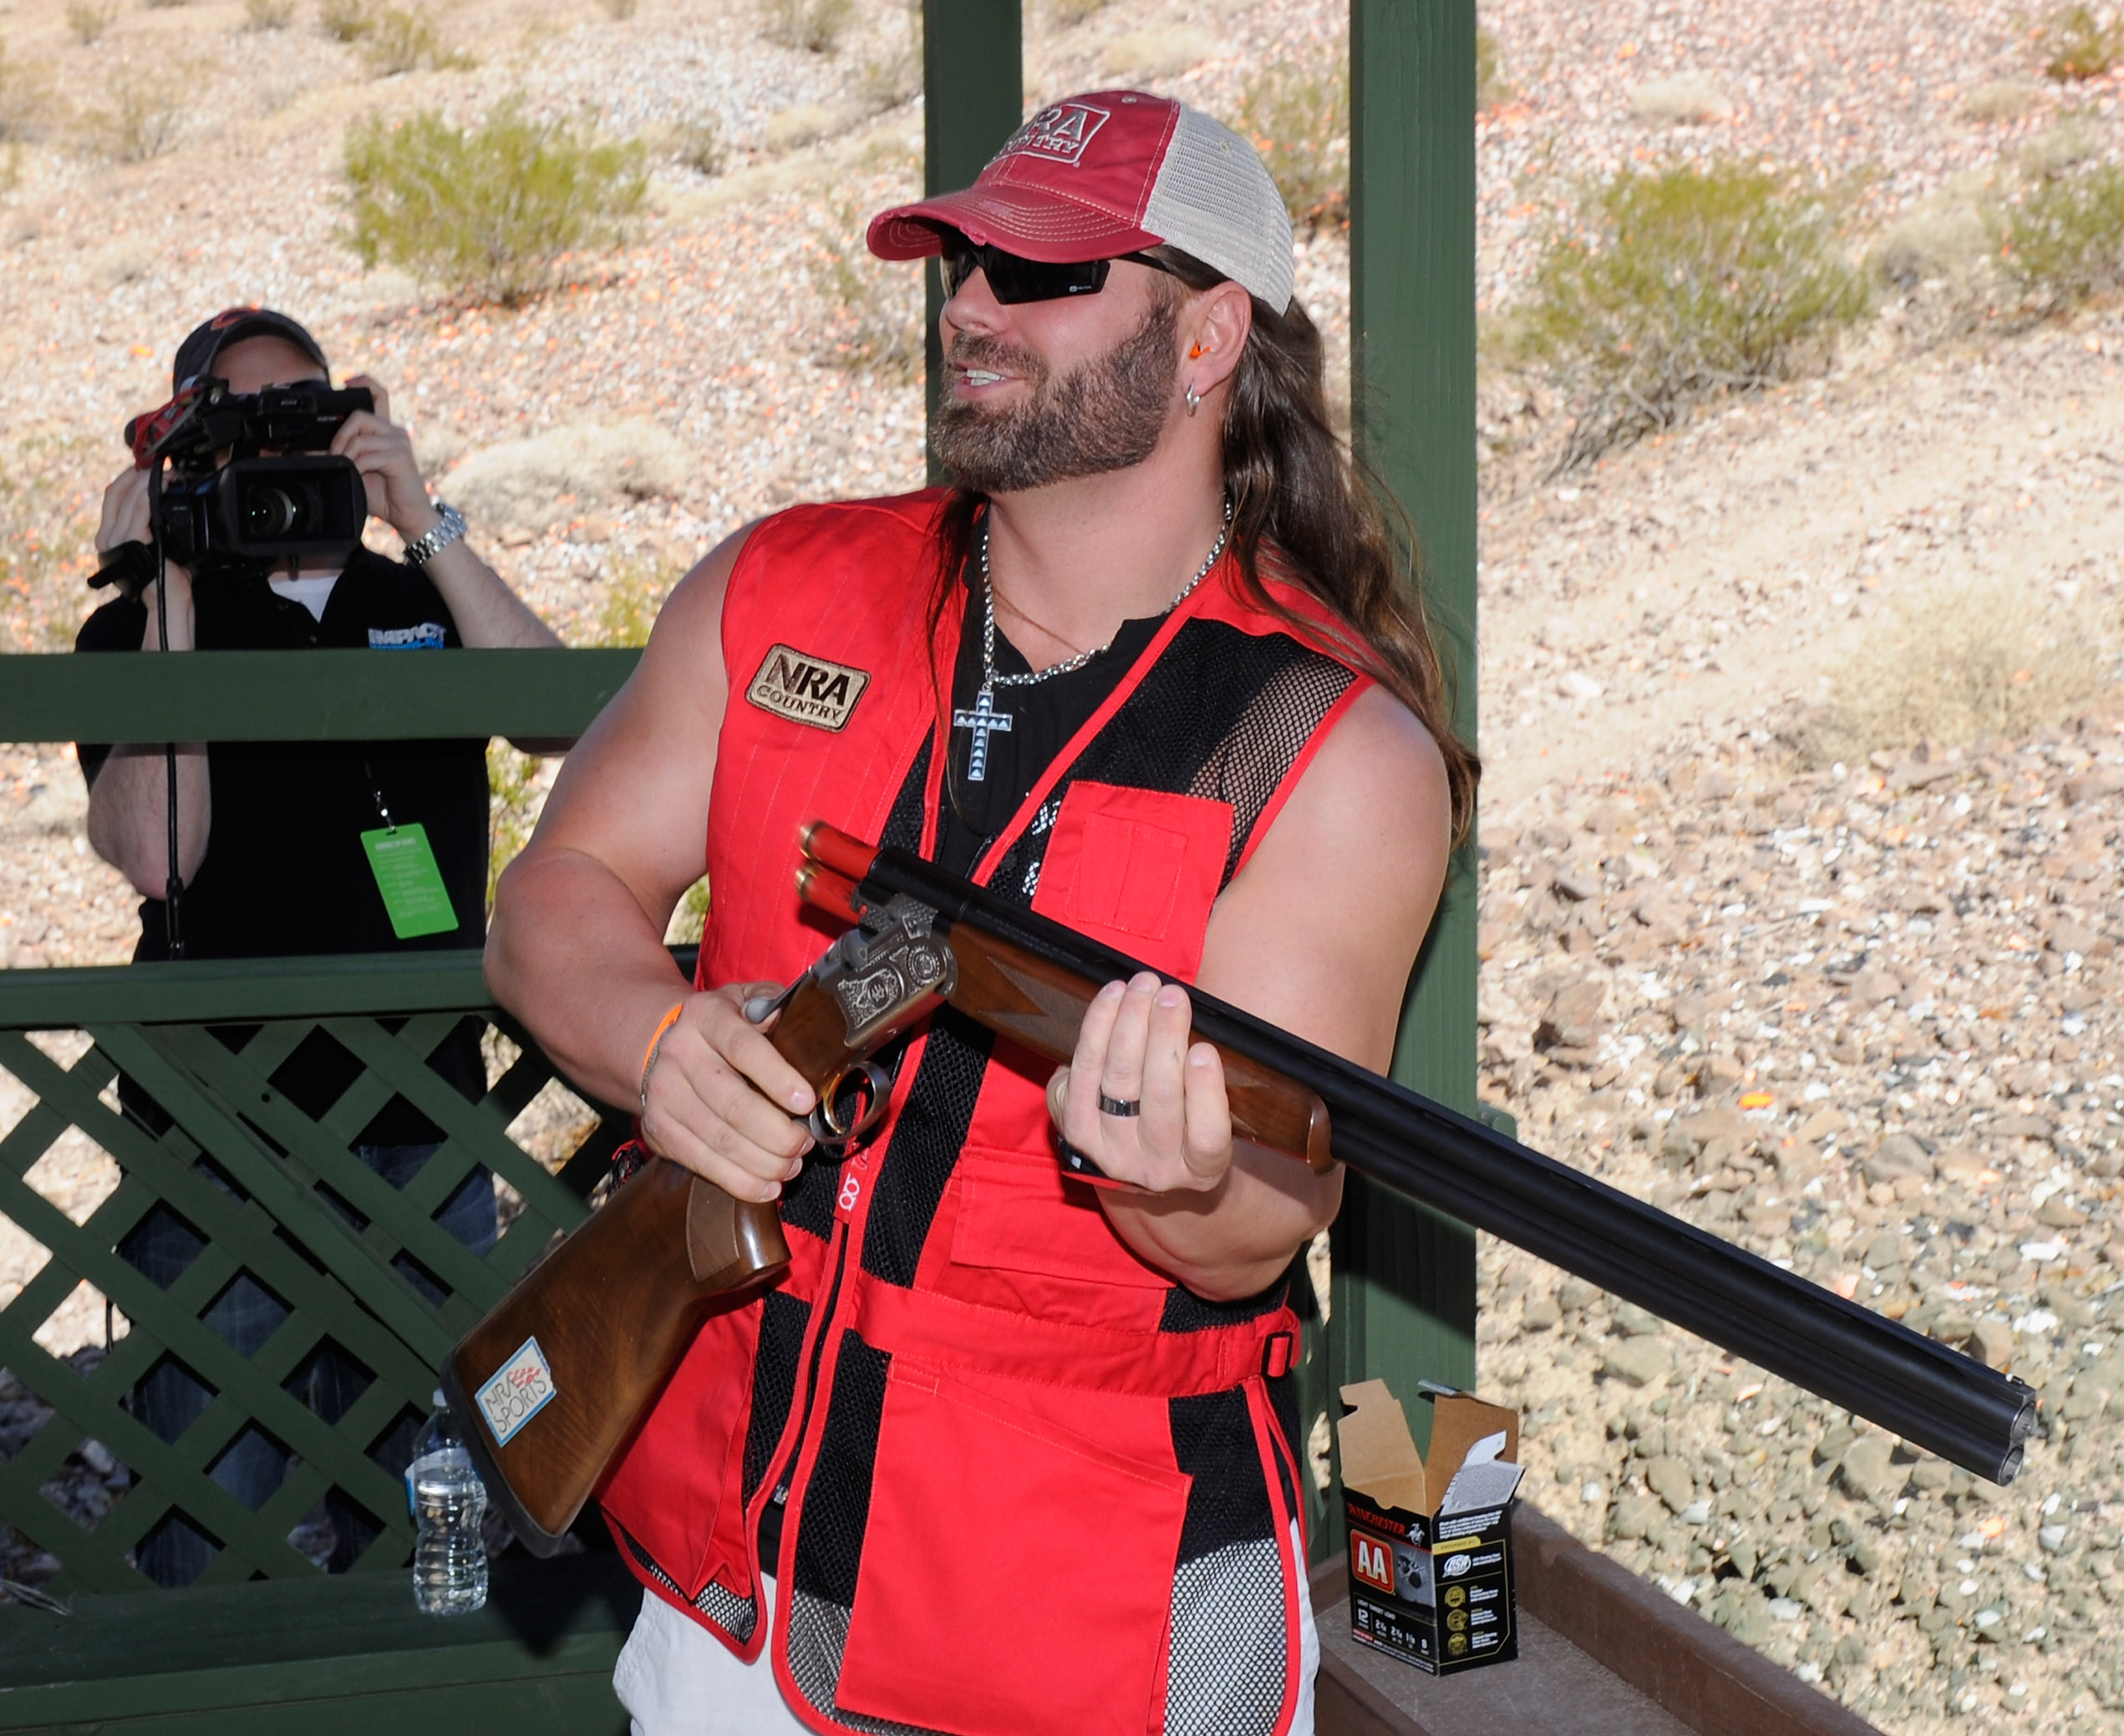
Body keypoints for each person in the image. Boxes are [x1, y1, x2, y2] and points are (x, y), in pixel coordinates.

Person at [485, 90, 1475, 1736]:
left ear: (1211, 332)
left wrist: (1174, 1174)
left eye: (1042, 273)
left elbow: (1270, 1207)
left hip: (1087, 1609)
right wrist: (660, 1043)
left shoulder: (1336, 750)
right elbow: (554, 898)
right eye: (963, 264)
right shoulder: (777, 586)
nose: (968, 307)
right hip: (727, 1569)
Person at [75, 307, 561, 1585]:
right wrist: (165, 580)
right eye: (245, 423)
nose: (285, 442)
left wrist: (429, 517)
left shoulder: (419, 596)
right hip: (218, 1136)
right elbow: (160, 851)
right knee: (205, 1527)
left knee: (450, 1522)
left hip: (423, 1123)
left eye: (311, 411)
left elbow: (563, 722)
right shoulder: (143, 629)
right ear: (187, 449)